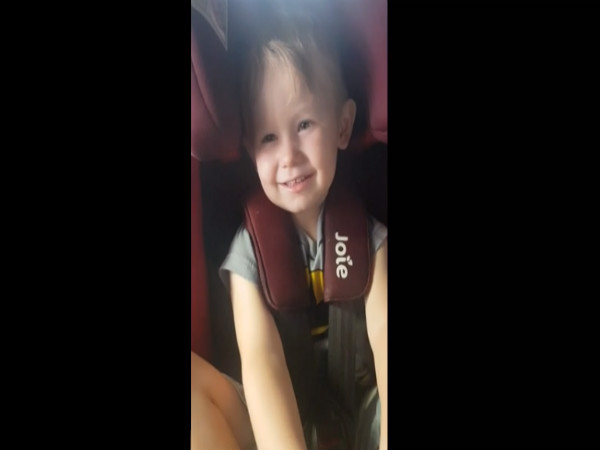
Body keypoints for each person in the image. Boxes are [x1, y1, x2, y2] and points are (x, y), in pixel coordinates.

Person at [191, 12, 387, 450]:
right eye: (268, 138)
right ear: (250, 150)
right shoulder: (248, 256)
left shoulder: (372, 241)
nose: (289, 156)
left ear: (342, 126)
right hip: (275, 424)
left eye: (303, 125)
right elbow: (261, 361)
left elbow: (385, 333)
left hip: (364, 416)